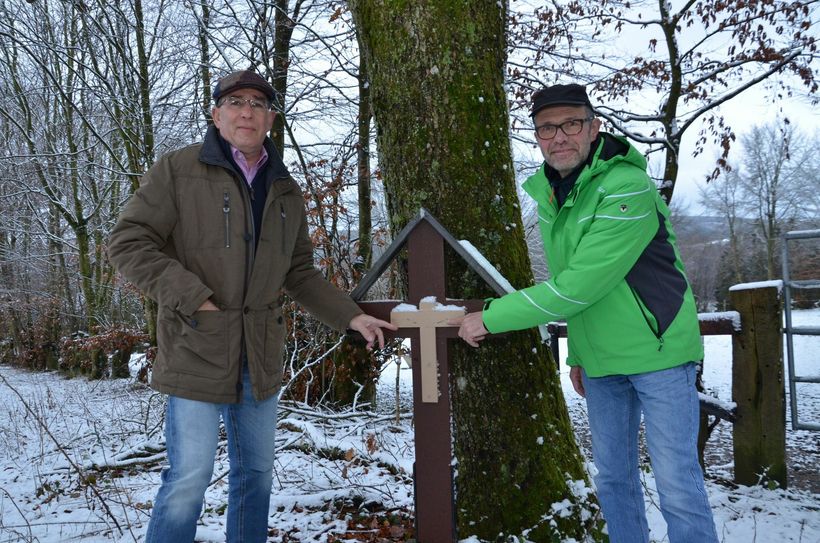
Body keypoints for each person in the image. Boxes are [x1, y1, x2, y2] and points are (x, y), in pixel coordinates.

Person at [107, 70, 396, 543]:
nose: (247, 111)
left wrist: (350, 314)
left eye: (258, 104)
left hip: (259, 355)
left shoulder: (285, 189)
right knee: (188, 479)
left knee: (256, 476)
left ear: (270, 119)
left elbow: (299, 271)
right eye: (235, 102)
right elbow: (128, 241)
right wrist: (193, 297)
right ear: (216, 114)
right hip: (196, 347)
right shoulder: (177, 171)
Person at [450, 83, 719, 543]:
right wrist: (580, 353)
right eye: (546, 128)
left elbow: (579, 285)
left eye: (571, 124)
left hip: (659, 357)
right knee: (614, 481)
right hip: (601, 364)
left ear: (593, 128)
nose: (559, 137)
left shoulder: (626, 188)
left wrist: (490, 316)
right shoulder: (555, 195)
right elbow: (579, 281)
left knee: (676, 485)